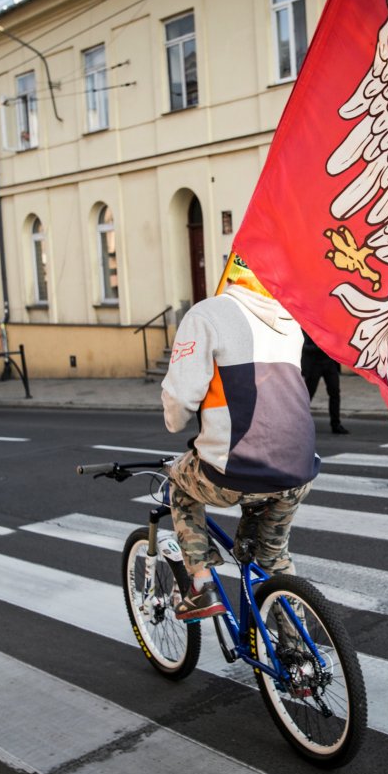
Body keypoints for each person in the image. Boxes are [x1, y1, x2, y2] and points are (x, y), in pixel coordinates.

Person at [162, 260, 318, 621]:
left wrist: (173, 420)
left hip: (237, 472)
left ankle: (201, 584)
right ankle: (299, 657)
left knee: (180, 484)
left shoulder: (207, 314)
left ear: (230, 275)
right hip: (299, 470)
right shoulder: (288, 320)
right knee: (274, 557)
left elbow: (180, 402)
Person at [301, 330, 349, 434]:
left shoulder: (326, 325)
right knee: (308, 396)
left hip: (329, 364)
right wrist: (321, 346)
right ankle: (300, 423)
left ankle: (336, 424)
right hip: (314, 365)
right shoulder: (308, 325)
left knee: (335, 393)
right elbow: (304, 346)